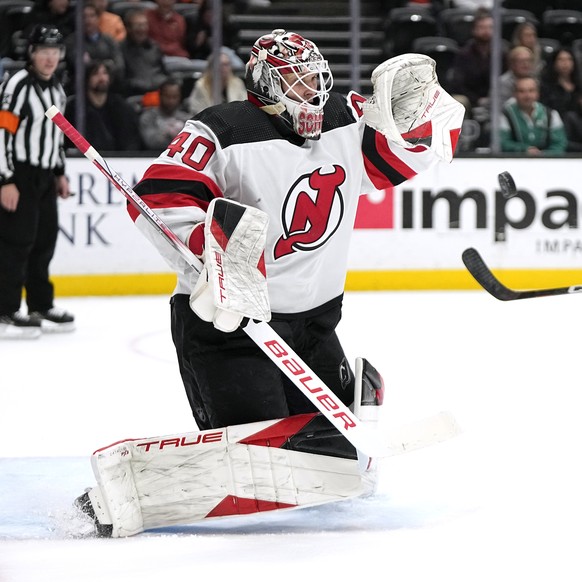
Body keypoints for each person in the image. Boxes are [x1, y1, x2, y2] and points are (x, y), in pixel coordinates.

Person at [75, 30, 465, 537]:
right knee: (266, 474)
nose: (313, 94)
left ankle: (345, 398)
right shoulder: (220, 129)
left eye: (316, 79)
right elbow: (159, 194)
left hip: (313, 331)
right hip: (230, 330)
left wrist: (425, 114)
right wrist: (213, 257)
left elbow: (419, 149)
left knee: (335, 464)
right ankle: (114, 498)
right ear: (265, 84)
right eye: (298, 82)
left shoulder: (346, 119)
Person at [0, 25, 74, 339]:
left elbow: (57, 137)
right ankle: (5, 310)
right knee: (16, 244)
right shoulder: (16, 85)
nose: (49, 57)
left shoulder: (57, 90)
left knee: (44, 242)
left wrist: (59, 173)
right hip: (20, 175)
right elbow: (3, 132)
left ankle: (39, 304)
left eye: (55, 51)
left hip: (44, 177)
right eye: (44, 50)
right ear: (31, 53)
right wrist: (5, 179)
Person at [64, 60, 143, 152]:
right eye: (95, 74)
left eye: (105, 73)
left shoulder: (121, 107)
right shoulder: (74, 107)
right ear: (87, 78)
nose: (102, 78)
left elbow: (130, 139)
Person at [64, 4, 125, 92]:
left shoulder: (109, 40)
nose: (88, 20)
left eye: (92, 16)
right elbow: (79, 67)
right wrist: (109, 63)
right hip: (81, 91)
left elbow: (119, 67)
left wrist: (91, 63)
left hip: (110, 89)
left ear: (98, 18)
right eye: (84, 16)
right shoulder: (71, 42)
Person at [500, 75, 567, 155]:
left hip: (547, 163)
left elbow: (560, 144)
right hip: (515, 162)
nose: (527, 95)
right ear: (514, 94)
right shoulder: (505, 114)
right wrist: (524, 149)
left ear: (537, 93)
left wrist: (543, 155)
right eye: (521, 91)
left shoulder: (551, 114)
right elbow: (502, 142)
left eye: (531, 91)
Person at [120, 8, 169, 97]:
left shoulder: (154, 47)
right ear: (128, 28)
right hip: (135, 94)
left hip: (158, 93)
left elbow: (163, 72)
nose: (142, 29)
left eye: (144, 25)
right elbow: (122, 80)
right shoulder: (120, 49)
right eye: (138, 25)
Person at [186, 48, 247, 115]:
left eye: (226, 64)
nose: (224, 68)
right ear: (212, 67)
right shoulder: (201, 85)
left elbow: (244, 107)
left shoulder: (237, 83)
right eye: (220, 65)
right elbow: (197, 110)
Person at [139, 78, 190, 152]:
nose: (171, 101)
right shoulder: (148, 117)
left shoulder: (187, 119)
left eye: (175, 97)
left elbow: (191, 144)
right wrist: (168, 133)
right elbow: (150, 143)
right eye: (167, 96)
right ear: (160, 95)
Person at [540, 48, 582, 120]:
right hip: (556, 122)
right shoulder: (546, 86)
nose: (565, 63)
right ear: (554, 63)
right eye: (560, 59)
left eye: (569, 59)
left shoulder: (579, 85)